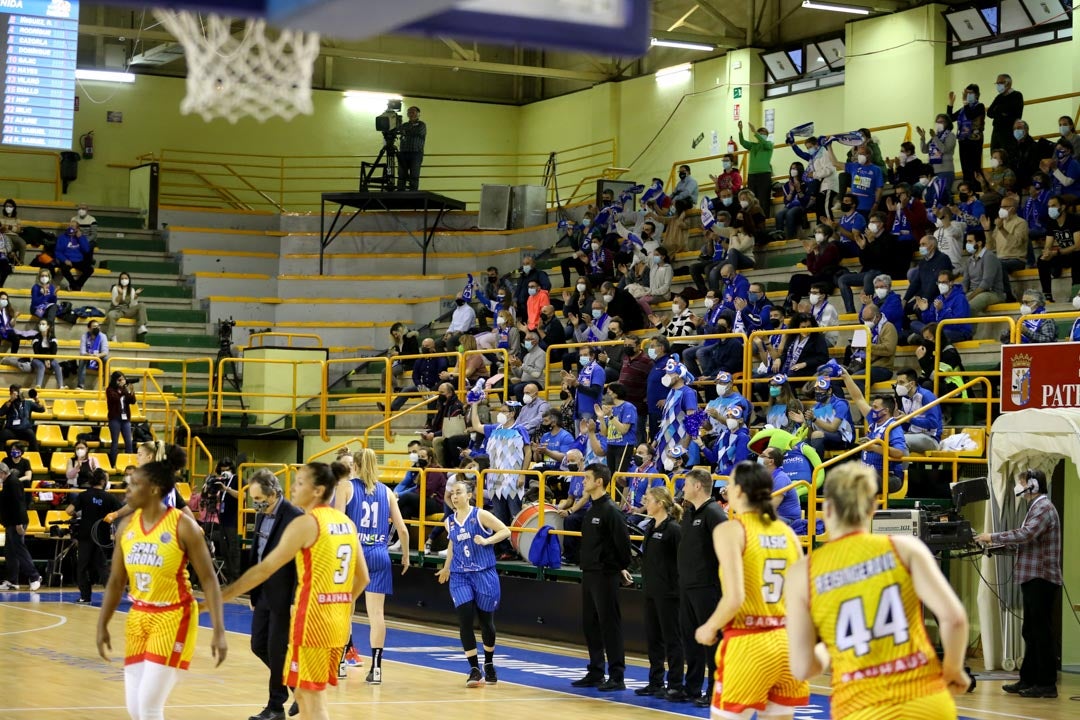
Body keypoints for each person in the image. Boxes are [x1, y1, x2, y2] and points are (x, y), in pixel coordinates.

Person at [786, 461, 971, 718]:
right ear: (873, 508)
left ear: (826, 510)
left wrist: (827, 649)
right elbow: (955, 619)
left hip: (860, 708)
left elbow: (802, 668)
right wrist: (953, 668)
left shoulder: (802, 572)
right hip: (925, 701)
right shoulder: (905, 548)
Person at [222, 463, 369, 720]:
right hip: (337, 622)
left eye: (300, 482)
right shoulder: (345, 522)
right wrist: (343, 602)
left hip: (313, 623)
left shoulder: (307, 523)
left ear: (318, 490)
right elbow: (363, 577)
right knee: (303, 694)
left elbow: (264, 569)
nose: (293, 487)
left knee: (313, 702)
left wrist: (218, 597)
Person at [96, 462, 228, 720]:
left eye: (134, 485)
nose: (127, 490)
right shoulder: (127, 527)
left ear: (154, 489)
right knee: (135, 709)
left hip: (174, 616)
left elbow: (210, 580)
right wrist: (103, 623)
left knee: (149, 707)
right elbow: (115, 582)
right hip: (138, 615)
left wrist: (219, 630)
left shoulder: (183, 526)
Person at [694, 461, 808, 718]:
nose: (726, 489)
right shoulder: (788, 533)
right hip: (787, 643)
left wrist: (709, 627)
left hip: (749, 642)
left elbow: (735, 597)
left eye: (730, 484)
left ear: (741, 492)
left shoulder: (731, 530)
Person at [974, 468, 1061, 698]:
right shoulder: (1035, 507)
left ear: (1031, 484)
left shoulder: (1042, 508)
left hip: (1041, 578)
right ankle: (1028, 680)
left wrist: (992, 536)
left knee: (1041, 633)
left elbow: (1025, 534)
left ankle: (1047, 684)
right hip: (1033, 577)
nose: (1018, 486)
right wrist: (994, 547)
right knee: (1030, 632)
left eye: (1021, 482)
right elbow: (1026, 543)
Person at [334, 449, 409, 684]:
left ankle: (340, 664)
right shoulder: (387, 491)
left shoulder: (345, 487)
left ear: (353, 466)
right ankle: (376, 668)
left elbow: (338, 524)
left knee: (345, 610)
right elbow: (403, 530)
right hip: (379, 554)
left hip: (354, 555)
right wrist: (406, 556)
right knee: (376, 614)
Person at [436, 477, 511, 687]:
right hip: (460, 575)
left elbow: (506, 531)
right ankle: (474, 669)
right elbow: (452, 544)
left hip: (484, 573)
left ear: (469, 495)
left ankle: (488, 663)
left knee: (486, 622)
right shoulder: (449, 521)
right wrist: (446, 566)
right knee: (465, 618)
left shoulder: (481, 515)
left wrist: (486, 540)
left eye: (459, 492)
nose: (454, 495)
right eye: (452, 493)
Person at [246, 469, 304, 720]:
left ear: (274, 494)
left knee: (277, 648)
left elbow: (299, 563)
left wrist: (294, 599)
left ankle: (275, 707)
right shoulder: (261, 516)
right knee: (258, 645)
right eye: (254, 499)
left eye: (259, 499)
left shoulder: (294, 517)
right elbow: (257, 551)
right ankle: (297, 688)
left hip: (283, 595)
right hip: (263, 592)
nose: (256, 504)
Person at [572, 463, 633, 692]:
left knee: (610, 625)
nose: (584, 481)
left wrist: (617, 567)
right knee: (591, 624)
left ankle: (617, 675)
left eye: (587, 478)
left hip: (605, 574)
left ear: (599, 481)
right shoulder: (591, 509)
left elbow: (623, 546)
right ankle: (596, 670)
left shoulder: (611, 510)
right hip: (589, 573)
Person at [672, 467, 728, 705]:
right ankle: (692, 687)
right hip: (687, 586)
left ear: (697, 486)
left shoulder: (714, 513)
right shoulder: (688, 513)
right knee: (690, 639)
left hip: (707, 587)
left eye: (686, 484)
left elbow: (726, 548)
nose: (682, 488)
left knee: (711, 641)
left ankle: (715, 690)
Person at [636, 486, 684, 698]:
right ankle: (655, 681)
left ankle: (675, 683)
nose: (646, 503)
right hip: (651, 590)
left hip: (669, 593)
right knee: (653, 637)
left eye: (649, 500)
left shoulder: (673, 529)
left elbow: (681, 561)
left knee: (672, 638)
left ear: (660, 504)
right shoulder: (650, 527)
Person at [839, 369, 906, 494]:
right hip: (868, 472)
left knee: (858, 482)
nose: (872, 409)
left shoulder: (893, 427)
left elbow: (899, 453)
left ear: (885, 411)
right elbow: (858, 398)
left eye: (875, 407)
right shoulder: (873, 421)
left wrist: (874, 447)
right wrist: (846, 376)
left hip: (888, 476)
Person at [65, 467, 122, 603]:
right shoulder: (110, 497)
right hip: (102, 536)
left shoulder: (84, 495)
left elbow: (68, 510)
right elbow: (121, 512)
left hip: (85, 536)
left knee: (82, 567)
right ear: (103, 481)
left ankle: (85, 596)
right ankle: (112, 597)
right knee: (102, 567)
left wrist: (77, 514)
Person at [0, 461, 43, 591]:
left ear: (2, 473)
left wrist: (19, 523)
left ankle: (35, 576)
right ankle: (13, 580)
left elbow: (18, 504)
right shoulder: (8, 482)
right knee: (10, 552)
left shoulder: (13, 482)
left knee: (20, 550)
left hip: (17, 522)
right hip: (10, 522)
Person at [1036, 196, 1080, 302]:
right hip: (1062, 254)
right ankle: (1047, 296)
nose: (1051, 209)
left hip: (1076, 253)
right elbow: (1048, 243)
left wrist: (1055, 253)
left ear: (1063, 207)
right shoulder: (1051, 222)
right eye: (1049, 206)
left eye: (1053, 206)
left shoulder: (1075, 220)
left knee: (1078, 256)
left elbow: (1077, 246)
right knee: (1041, 260)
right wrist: (1046, 253)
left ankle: (1076, 291)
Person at [946, 84, 986, 186]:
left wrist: (965, 103)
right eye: (966, 93)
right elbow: (950, 118)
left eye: (970, 93)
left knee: (974, 167)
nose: (967, 95)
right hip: (963, 140)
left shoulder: (980, 106)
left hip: (975, 140)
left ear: (977, 94)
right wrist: (950, 105)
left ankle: (977, 189)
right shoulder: (963, 109)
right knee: (965, 168)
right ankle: (967, 189)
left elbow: (970, 115)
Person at [739, 121, 775, 209]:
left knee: (763, 198)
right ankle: (754, 217)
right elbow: (742, 142)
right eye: (760, 133)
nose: (762, 135)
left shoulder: (769, 144)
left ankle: (764, 219)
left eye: (764, 134)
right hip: (752, 174)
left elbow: (763, 142)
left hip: (764, 174)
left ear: (767, 135)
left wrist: (755, 132)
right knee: (752, 198)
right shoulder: (753, 145)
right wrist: (740, 130)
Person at [986, 73, 1023, 156]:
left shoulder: (1017, 95)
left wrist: (999, 111)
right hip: (996, 131)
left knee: (1008, 156)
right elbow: (989, 113)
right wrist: (1002, 113)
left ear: (1008, 83)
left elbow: (1016, 115)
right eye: (997, 83)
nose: (998, 85)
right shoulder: (999, 97)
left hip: (1009, 132)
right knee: (995, 157)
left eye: (1000, 83)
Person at [0, 384, 44, 451]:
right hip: (11, 430)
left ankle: (34, 457)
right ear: (11, 393)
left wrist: (36, 400)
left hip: (24, 429)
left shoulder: (28, 403)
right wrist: (11, 400)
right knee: (2, 435)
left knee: (32, 435)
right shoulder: (9, 404)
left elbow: (42, 410)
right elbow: (1, 413)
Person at [106, 370, 136, 465]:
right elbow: (114, 398)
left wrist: (130, 391)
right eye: (120, 380)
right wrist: (122, 390)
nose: (122, 381)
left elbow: (132, 401)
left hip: (125, 419)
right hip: (115, 418)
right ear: (115, 380)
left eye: (123, 379)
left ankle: (129, 462)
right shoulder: (110, 389)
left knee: (129, 441)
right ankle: (114, 463)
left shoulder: (124, 389)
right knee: (115, 442)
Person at [55, 223, 94, 291]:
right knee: (64, 269)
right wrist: (65, 260)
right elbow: (58, 252)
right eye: (69, 226)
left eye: (72, 226)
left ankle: (76, 285)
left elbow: (86, 250)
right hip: (67, 260)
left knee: (89, 269)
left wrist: (80, 238)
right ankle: (74, 286)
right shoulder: (62, 237)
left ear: (77, 229)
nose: (70, 227)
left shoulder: (81, 237)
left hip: (79, 260)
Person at [397, 105, 426, 191]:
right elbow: (397, 130)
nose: (411, 114)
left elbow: (416, 132)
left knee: (414, 175)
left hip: (416, 153)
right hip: (403, 152)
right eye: (409, 112)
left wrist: (404, 130)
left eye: (413, 112)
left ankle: (413, 192)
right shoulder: (404, 125)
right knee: (401, 175)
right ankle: (400, 191)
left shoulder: (422, 124)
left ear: (418, 114)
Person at [77, 319, 110, 390]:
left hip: (99, 357)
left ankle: (106, 386)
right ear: (89, 328)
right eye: (94, 326)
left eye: (98, 326)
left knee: (107, 359)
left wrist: (98, 356)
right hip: (88, 357)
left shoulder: (103, 336)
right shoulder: (84, 336)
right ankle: (80, 385)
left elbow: (105, 352)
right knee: (82, 359)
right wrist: (90, 355)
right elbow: (82, 352)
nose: (97, 328)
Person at [31, 319, 63, 389]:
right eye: (40, 324)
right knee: (41, 366)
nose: (41, 325)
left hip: (49, 359)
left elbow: (54, 352)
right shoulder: (36, 337)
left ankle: (61, 386)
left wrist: (49, 360)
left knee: (57, 365)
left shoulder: (53, 338)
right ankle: (38, 385)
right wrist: (45, 360)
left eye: (43, 324)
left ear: (48, 326)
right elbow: (36, 352)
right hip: (37, 359)